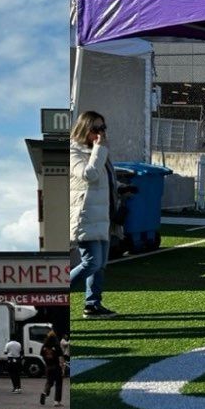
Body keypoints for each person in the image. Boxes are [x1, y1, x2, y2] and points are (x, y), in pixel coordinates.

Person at [68, 108, 116, 319]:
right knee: (92, 262)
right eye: (95, 128)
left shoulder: (98, 152)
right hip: (85, 215)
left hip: (101, 215)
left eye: (103, 128)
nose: (100, 133)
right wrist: (98, 150)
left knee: (100, 265)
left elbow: (105, 181)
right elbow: (89, 174)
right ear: (84, 129)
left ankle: (93, 304)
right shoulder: (73, 152)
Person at [39, 327, 64, 407]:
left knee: (49, 382)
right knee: (59, 384)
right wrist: (62, 368)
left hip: (48, 366)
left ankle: (44, 392)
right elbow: (60, 357)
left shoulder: (44, 346)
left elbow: (42, 355)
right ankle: (57, 401)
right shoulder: (56, 345)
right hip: (56, 367)